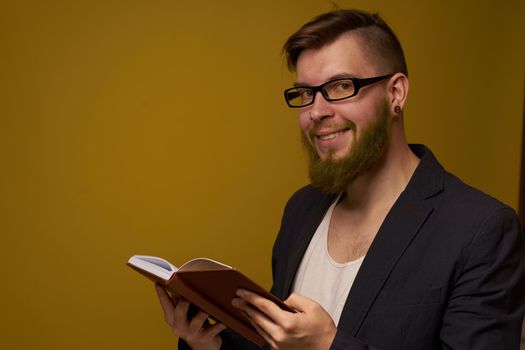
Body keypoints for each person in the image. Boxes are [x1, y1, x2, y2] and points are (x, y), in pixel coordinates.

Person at [155, 9, 525, 350]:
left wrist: (329, 345)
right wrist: (209, 343)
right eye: (305, 93)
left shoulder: (481, 229)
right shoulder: (302, 208)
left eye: (341, 86)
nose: (316, 111)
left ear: (396, 93)